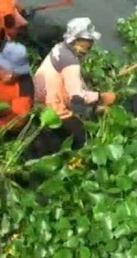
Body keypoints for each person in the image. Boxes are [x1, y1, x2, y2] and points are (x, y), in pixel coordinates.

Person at [31, 17, 115, 158]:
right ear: (75, 39)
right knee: (85, 138)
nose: (89, 46)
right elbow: (76, 96)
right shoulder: (70, 62)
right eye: (86, 43)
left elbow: (72, 81)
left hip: (36, 95)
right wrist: (101, 97)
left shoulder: (60, 47)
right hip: (51, 107)